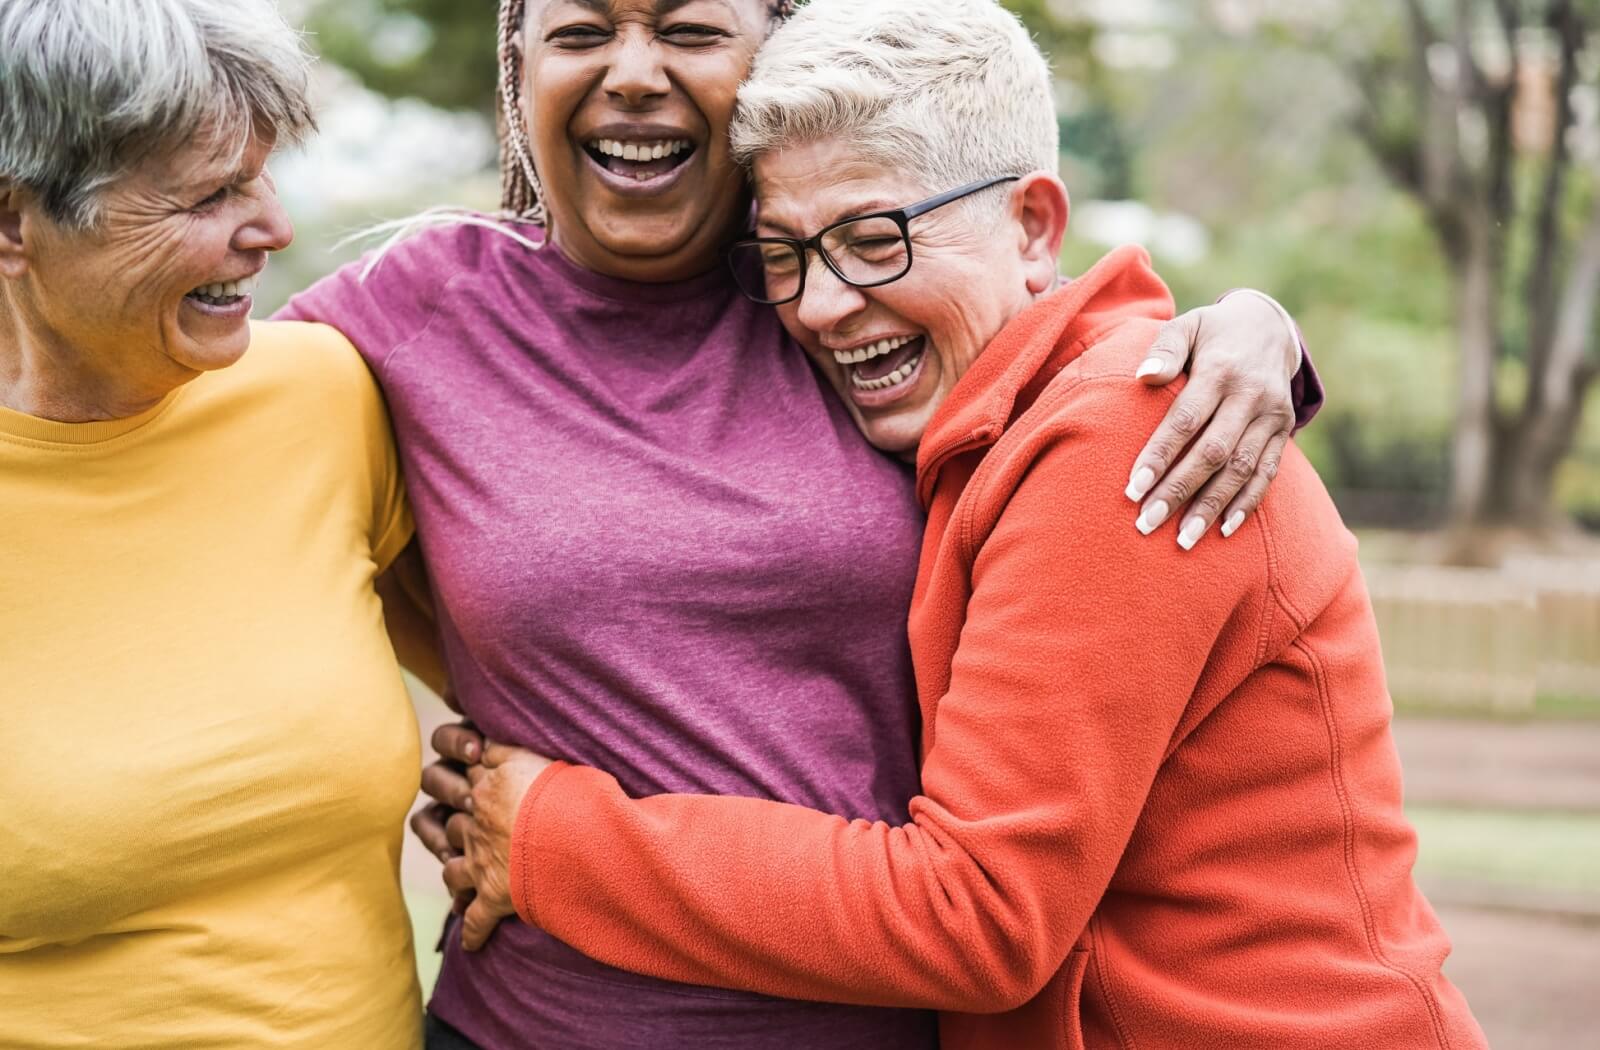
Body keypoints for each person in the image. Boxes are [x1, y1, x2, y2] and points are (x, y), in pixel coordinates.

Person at [442, 2, 1489, 1049]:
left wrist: (550, 837)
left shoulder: (1126, 436)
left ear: (1034, 226)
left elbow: (976, 914)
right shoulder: (977, 423)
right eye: (784, 255)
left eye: (871, 239)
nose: (817, 304)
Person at [0, 1, 424, 1047]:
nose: (272, 228)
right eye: (209, 194)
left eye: (263, 174)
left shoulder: (326, 396)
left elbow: (524, 681)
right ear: (15, 222)